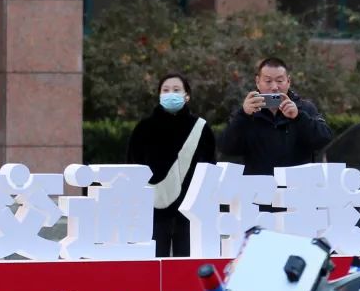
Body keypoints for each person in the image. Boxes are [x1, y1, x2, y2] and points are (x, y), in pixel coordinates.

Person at [127, 73, 216, 257]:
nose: (170, 94)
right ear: (159, 95)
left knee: (186, 268)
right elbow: (133, 166)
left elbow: (209, 167)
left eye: (176, 90)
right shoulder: (144, 128)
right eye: (165, 90)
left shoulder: (200, 128)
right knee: (152, 266)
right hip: (153, 211)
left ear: (187, 95)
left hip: (190, 212)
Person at [218, 57, 333, 176]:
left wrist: (298, 117)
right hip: (258, 186)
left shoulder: (305, 108)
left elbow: (324, 139)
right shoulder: (247, 111)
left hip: (297, 186)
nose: (274, 87)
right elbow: (226, 147)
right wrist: (243, 115)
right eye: (268, 81)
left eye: (279, 81)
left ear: (288, 81)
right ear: (258, 82)